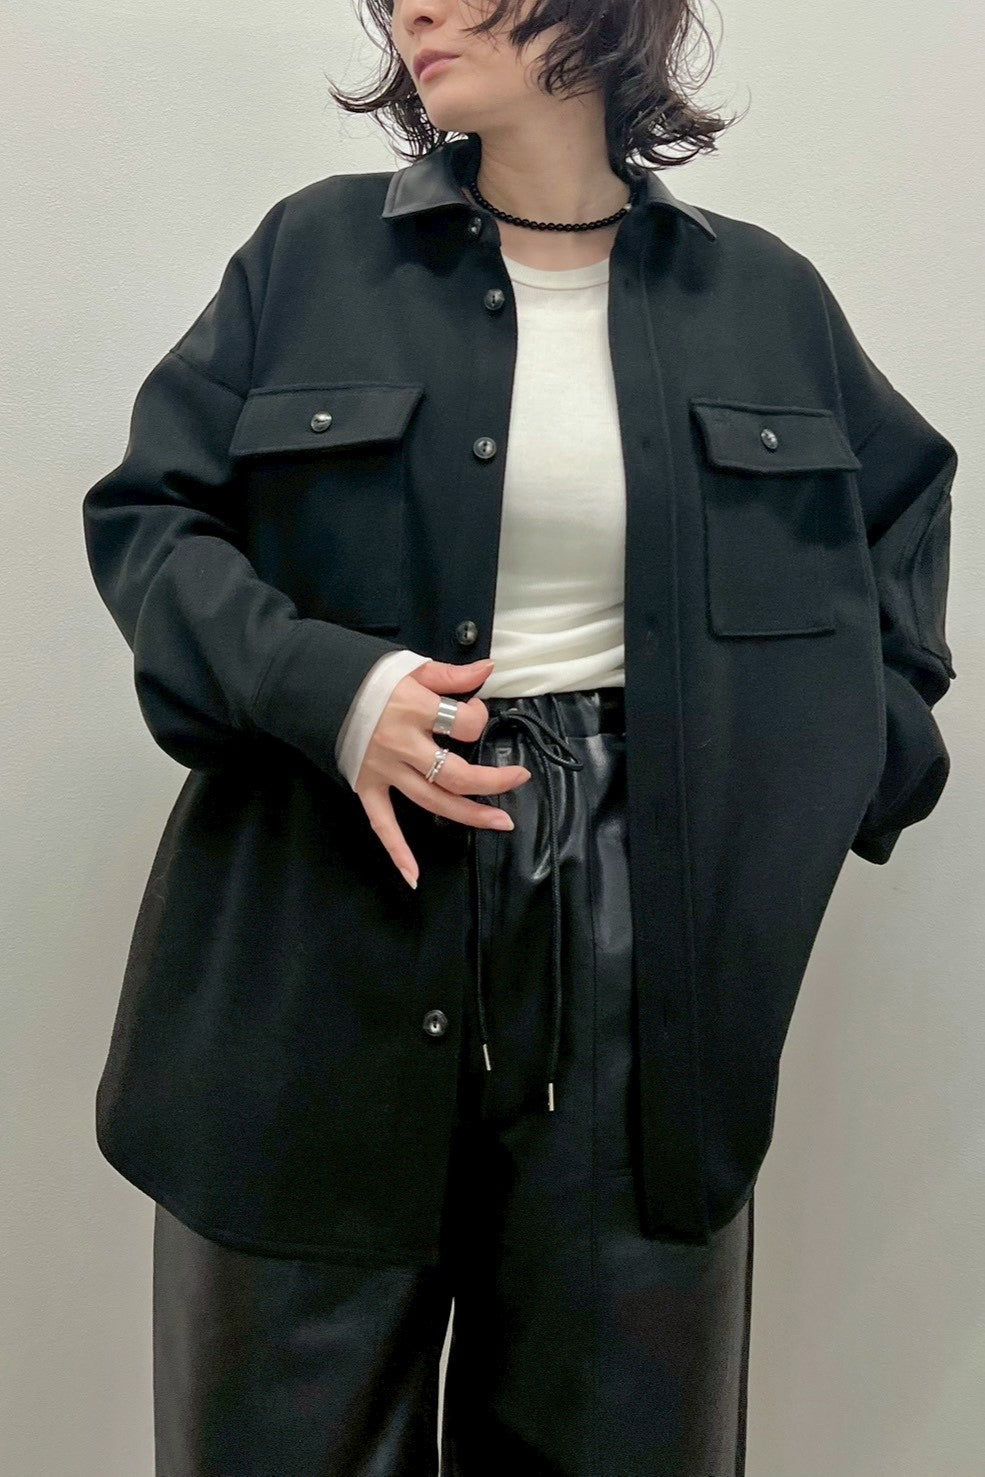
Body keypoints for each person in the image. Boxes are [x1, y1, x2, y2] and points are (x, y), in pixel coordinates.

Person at [83, 2, 957, 1474]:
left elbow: (900, 522)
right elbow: (150, 523)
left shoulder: (763, 300)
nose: (414, 7)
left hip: (642, 987)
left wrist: (836, 777)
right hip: (316, 940)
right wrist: (332, 690)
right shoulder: (310, 257)